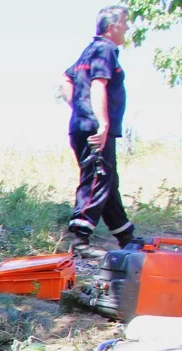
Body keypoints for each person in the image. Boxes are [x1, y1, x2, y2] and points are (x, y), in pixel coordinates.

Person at [62, 6, 134, 253]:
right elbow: (98, 85)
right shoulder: (104, 50)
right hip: (95, 128)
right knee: (97, 177)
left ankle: (126, 236)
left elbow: (65, 79)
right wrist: (102, 123)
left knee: (107, 181)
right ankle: (79, 238)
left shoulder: (89, 50)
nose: (127, 28)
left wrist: (78, 108)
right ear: (112, 26)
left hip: (82, 124)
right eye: (124, 23)